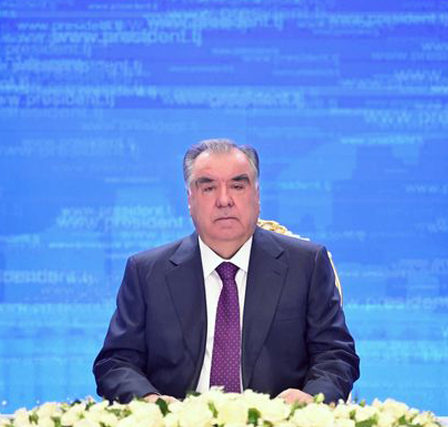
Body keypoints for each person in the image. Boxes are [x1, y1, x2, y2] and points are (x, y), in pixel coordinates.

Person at [93, 139, 359, 404]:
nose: (224, 200)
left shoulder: (306, 264)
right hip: (177, 426)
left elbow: (335, 356)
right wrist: (151, 402)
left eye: (237, 186)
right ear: (190, 199)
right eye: (208, 188)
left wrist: (310, 400)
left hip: (277, 425)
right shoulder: (147, 272)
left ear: (257, 196)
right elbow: (116, 362)